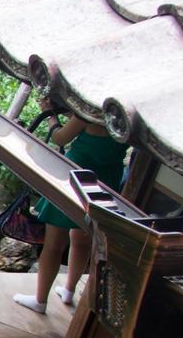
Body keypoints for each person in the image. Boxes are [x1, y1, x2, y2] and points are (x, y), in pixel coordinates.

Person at [12, 98, 128, 314]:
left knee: (54, 243)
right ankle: (68, 290)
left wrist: (50, 114)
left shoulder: (89, 113)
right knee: (81, 237)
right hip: (105, 182)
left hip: (74, 178)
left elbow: (60, 137)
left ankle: (40, 300)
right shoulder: (126, 121)